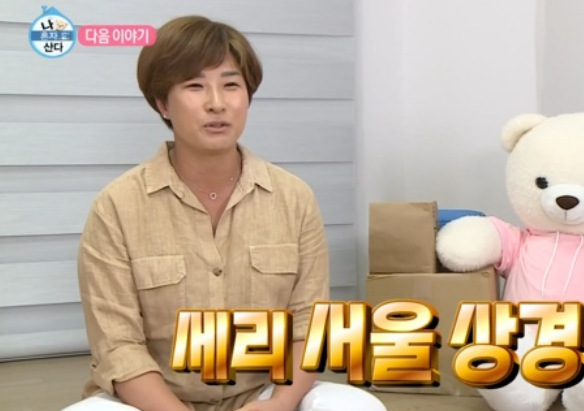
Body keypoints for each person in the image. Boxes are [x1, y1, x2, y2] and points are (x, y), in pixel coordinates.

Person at [61, 15, 387, 411]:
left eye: (231, 85)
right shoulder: (116, 206)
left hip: (262, 395)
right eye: (195, 86)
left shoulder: (294, 198)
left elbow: (309, 326)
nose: (216, 103)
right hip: (154, 402)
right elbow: (118, 347)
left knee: (359, 407)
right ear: (163, 103)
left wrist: (279, 404)